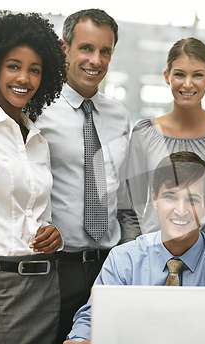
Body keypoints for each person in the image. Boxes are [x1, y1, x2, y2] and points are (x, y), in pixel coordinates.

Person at [63, 151, 205, 343]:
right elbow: (90, 320)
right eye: (170, 197)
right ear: (154, 198)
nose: (181, 210)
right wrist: (80, 339)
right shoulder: (123, 260)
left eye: (192, 200)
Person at [0, 11, 66, 344]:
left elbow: (35, 215)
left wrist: (51, 234)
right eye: (13, 66)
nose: (24, 78)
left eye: (35, 70)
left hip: (45, 290)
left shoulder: (38, 140)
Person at [36, 8, 131, 344]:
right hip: (56, 268)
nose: (96, 60)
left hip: (109, 265)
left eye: (105, 51)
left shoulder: (119, 116)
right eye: (86, 48)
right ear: (65, 48)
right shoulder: (36, 110)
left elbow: (123, 193)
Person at [122, 37, 205, 257]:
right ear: (167, 76)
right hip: (154, 257)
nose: (188, 83)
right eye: (180, 74)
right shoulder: (145, 133)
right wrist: (138, 261)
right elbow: (128, 211)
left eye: (197, 75)